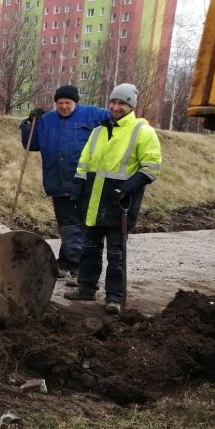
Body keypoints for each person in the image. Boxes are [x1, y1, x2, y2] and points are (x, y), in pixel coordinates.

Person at [64, 83, 162, 315]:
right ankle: (86, 287)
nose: (116, 107)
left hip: (120, 203)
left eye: (122, 103)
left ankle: (114, 297)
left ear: (131, 106)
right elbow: (84, 162)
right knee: (89, 247)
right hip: (95, 201)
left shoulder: (142, 131)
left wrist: (126, 189)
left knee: (116, 253)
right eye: (114, 102)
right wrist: (78, 188)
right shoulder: (98, 131)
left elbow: (151, 168)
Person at [20, 85, 109, 283]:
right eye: (59, 103)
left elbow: (117, 124)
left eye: (67, 103)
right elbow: (30, 144)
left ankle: (76, 267)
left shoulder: (94, 114)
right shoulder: (47, 120)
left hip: (86, 181)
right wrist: (29, 122)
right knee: (68, 225)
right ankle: (69, 263)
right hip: (58, 182)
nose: (63, 106)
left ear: (75, 102)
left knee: (79, 225)